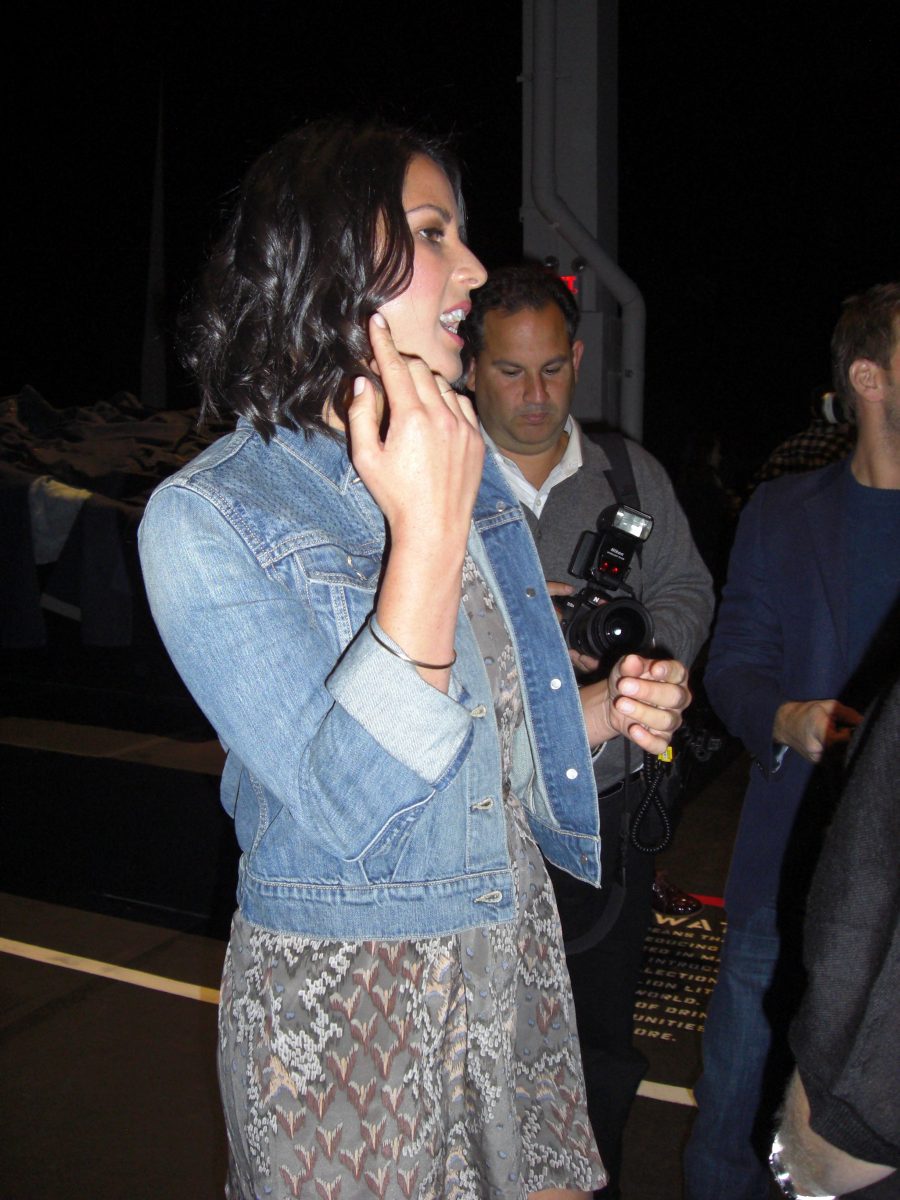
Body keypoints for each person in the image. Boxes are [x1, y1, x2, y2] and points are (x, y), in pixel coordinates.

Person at [138, 121, 692, 1200]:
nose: (474, 269)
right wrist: (429, 538)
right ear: (330, 256)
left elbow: (483, 752)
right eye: (435, 232)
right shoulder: (209, 516)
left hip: (508, 952)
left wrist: (601, 711)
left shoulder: (453, 467)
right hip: (351, 1005)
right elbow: (353, 809)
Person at [463, 265, 713, 1196]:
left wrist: (636, 658)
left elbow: (687, 586)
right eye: (509, 372)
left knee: (599, 1032)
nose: (534, 396)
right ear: (470, 369)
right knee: (478, 1028)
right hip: (481, 807)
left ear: (577, 359)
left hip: (606, 808)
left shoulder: (628, 474)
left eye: (552, 370)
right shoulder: (438, 476)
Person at [683, 281, 900, 1200]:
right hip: (786, 873)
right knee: (733, 1116)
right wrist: (787, 719)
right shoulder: (782, 512)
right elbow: (733, 665)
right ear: (868, 378)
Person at [770, 676, 900, 1200]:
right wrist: (782, 718)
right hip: (784, 859)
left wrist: (811, 1162)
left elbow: (866, 909)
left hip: (867, 1124)